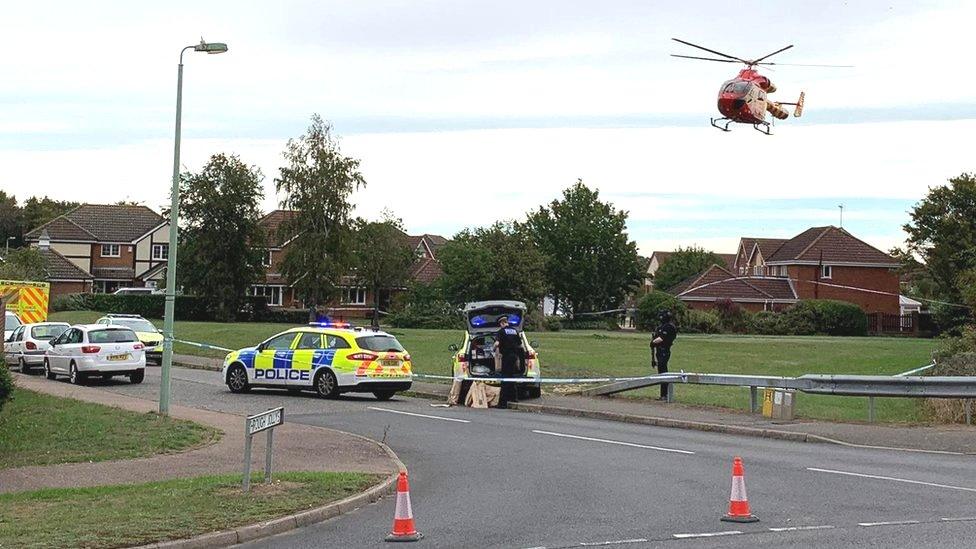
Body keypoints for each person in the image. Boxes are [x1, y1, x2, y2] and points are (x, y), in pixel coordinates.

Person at [493, 315, 523, 408]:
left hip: (506, 357)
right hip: (514, 357)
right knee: (511, 378)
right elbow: (520, 345)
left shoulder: (501, 331)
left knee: (505, 379)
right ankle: (514, 398)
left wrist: (493, 349)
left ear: (502, 323)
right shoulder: (515, 331)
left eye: (500, 324)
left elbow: (497, 343)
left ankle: (502, 404)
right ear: (507, 322)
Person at [650, 310, 677, 401]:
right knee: (661, 372)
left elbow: (662, 338)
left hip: (664, 351)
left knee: (663, 371)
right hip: (659, 351)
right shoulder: (662, 327)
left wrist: (653, 342)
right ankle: (663, 394)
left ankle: (665, 394)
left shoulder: (668, 327)